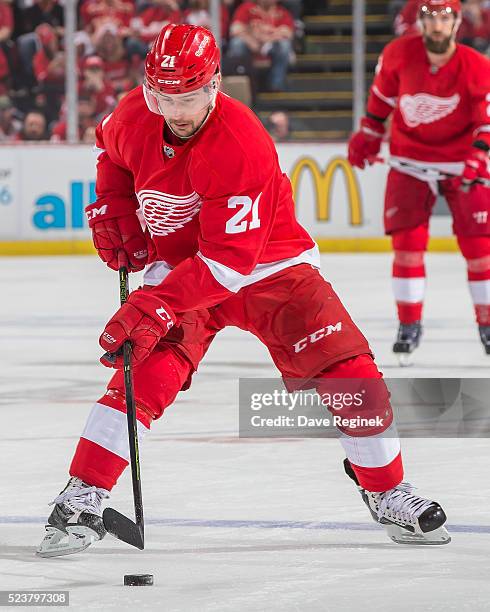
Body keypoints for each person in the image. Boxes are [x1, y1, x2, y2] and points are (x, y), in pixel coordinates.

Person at [37, 24, 449, 558]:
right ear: (148, 90)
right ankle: (83, 494)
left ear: (215, 85)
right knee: (142, 375)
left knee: (351, 373)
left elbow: (228, 265)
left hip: (270, 266)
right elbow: (110, 155)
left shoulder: (241, 141)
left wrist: (152, 302)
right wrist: (112, 206)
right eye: (164, 97)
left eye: (189, 96)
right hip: (183, 266)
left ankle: (387, 489)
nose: (177, 111)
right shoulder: (134, 113)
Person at [348, 0, 490, 363]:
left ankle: (486, 323)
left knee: (480, 250)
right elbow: (380, 100)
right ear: (420, 22)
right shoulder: (398, 53)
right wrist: (368, 134)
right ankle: (409, 324)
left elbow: (486, 121)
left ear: (457, 22)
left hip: (462, 163)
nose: (438, 25)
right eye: (430, 17)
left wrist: (479, 154)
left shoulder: (477, 66)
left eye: (445, 17)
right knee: (408, 246)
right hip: (410, 161)